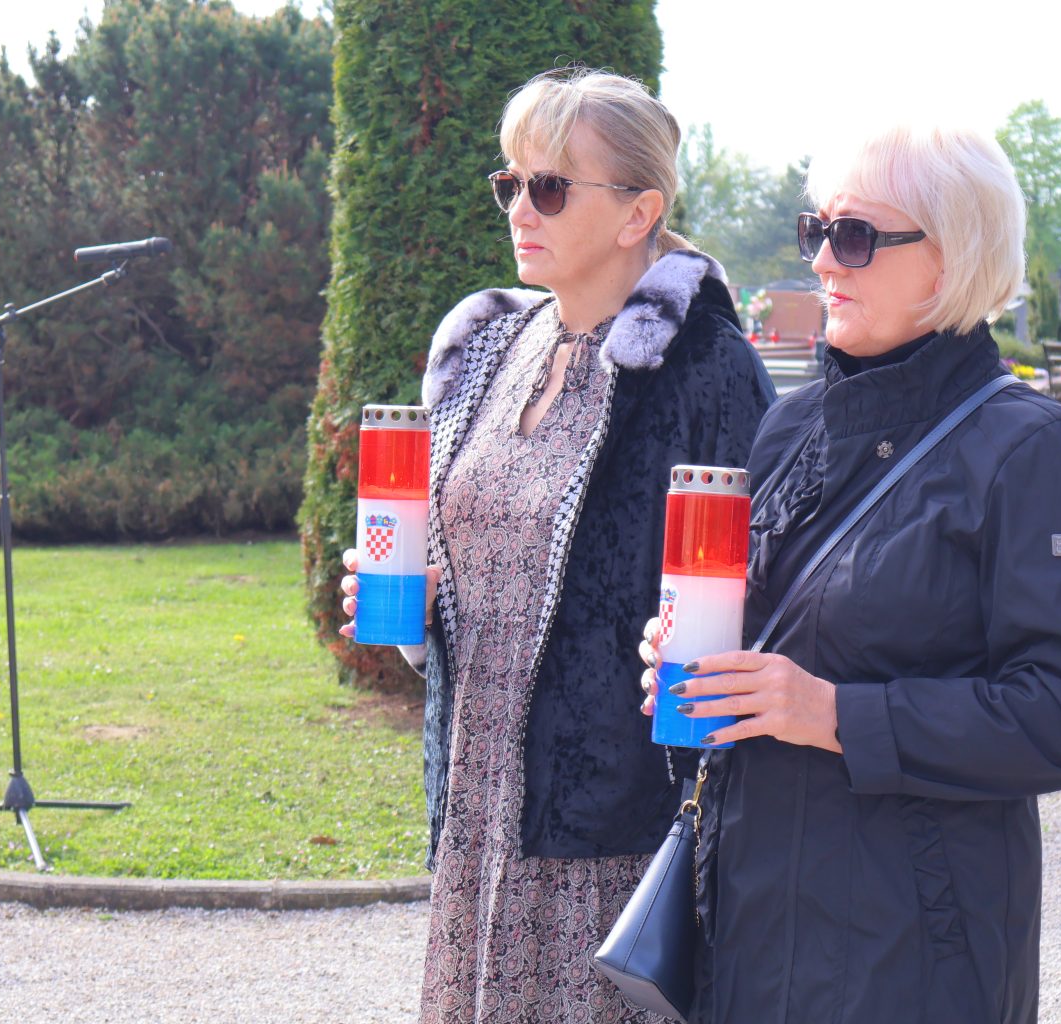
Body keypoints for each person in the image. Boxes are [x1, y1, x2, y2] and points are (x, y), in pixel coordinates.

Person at [638, 123, 1061, 1023]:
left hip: (915, 955)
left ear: (951, 257)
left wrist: (833, 713)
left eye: (856, 236)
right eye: (816, 230)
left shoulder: (1033, 450)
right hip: (749, 927)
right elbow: (789, 637)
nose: (824, 261)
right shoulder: (790, 427)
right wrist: (703, 662)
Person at [339, 68, 774, 1023]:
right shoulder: (493, 349)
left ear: (638, 213)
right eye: (511, 182)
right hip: (477, 798)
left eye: (549, 186)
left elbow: (761, 607)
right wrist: (421, 608)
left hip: (613, 827)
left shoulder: (707, 371)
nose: (520, 209)